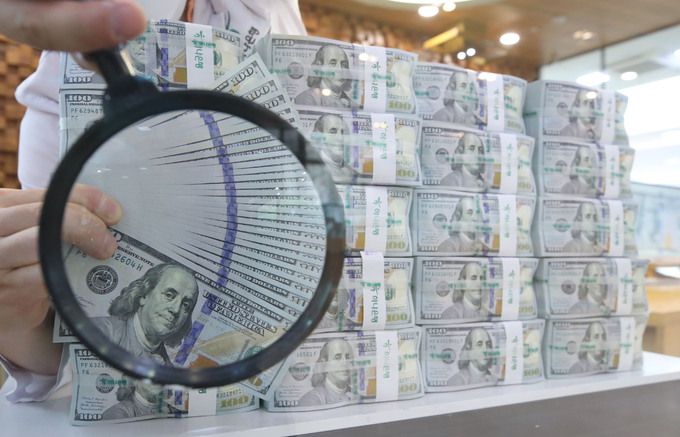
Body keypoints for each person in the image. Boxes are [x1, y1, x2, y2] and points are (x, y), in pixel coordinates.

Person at [1, 0, 307, 403]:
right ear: (142, 292)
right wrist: (15, 322)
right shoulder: (69, 63)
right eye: (171, 296)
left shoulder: (276, 19)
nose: (178, 310)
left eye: (185, 302)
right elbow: (65, 337)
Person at [93, 263, 199, 365]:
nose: (176, 310)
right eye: (169, 295)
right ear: (144, 295)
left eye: (186, 305)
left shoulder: (167, 368)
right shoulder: (100, 331)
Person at [298, 338, 355, 407]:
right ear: (324, 364)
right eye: (337, 357)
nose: (344, 362)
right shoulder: (310, 400)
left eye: (348, 358)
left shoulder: (358, 397)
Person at [295, 44, 355, 108]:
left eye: (344, 64)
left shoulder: (352, 104)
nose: (340, 69)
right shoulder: (306, 99)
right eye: (333, 63)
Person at [310, 113, 356, 182]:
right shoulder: (313, 169)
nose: (340, 138)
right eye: (332, 132)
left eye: (343, 132)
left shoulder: (352, 172)